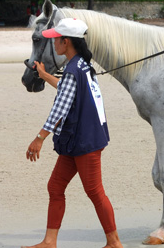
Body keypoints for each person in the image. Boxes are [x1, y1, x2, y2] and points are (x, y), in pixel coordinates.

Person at [22, 18, 123, 248]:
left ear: (65, 42)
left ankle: (114, 242)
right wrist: (45, 75)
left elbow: (61, 107)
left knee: (95, 192)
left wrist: (39, 138)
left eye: (55, 39)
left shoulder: (71, 70)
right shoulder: (82, 66)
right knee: (55, 187)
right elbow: (70, 89)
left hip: (83, 142)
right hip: (78, 140)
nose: (53, 43)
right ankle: (49, 241)